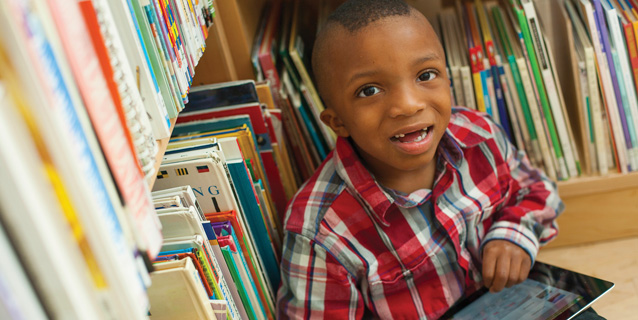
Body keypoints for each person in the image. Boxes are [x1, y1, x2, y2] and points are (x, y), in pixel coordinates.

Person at [276, 0, 568, 318]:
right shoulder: (318, 232)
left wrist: (513, 235)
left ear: (449, 79)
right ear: (338, 122)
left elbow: (536, 189)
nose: (408, 105)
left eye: (425, 74)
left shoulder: (479, 136)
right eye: (369, 90)